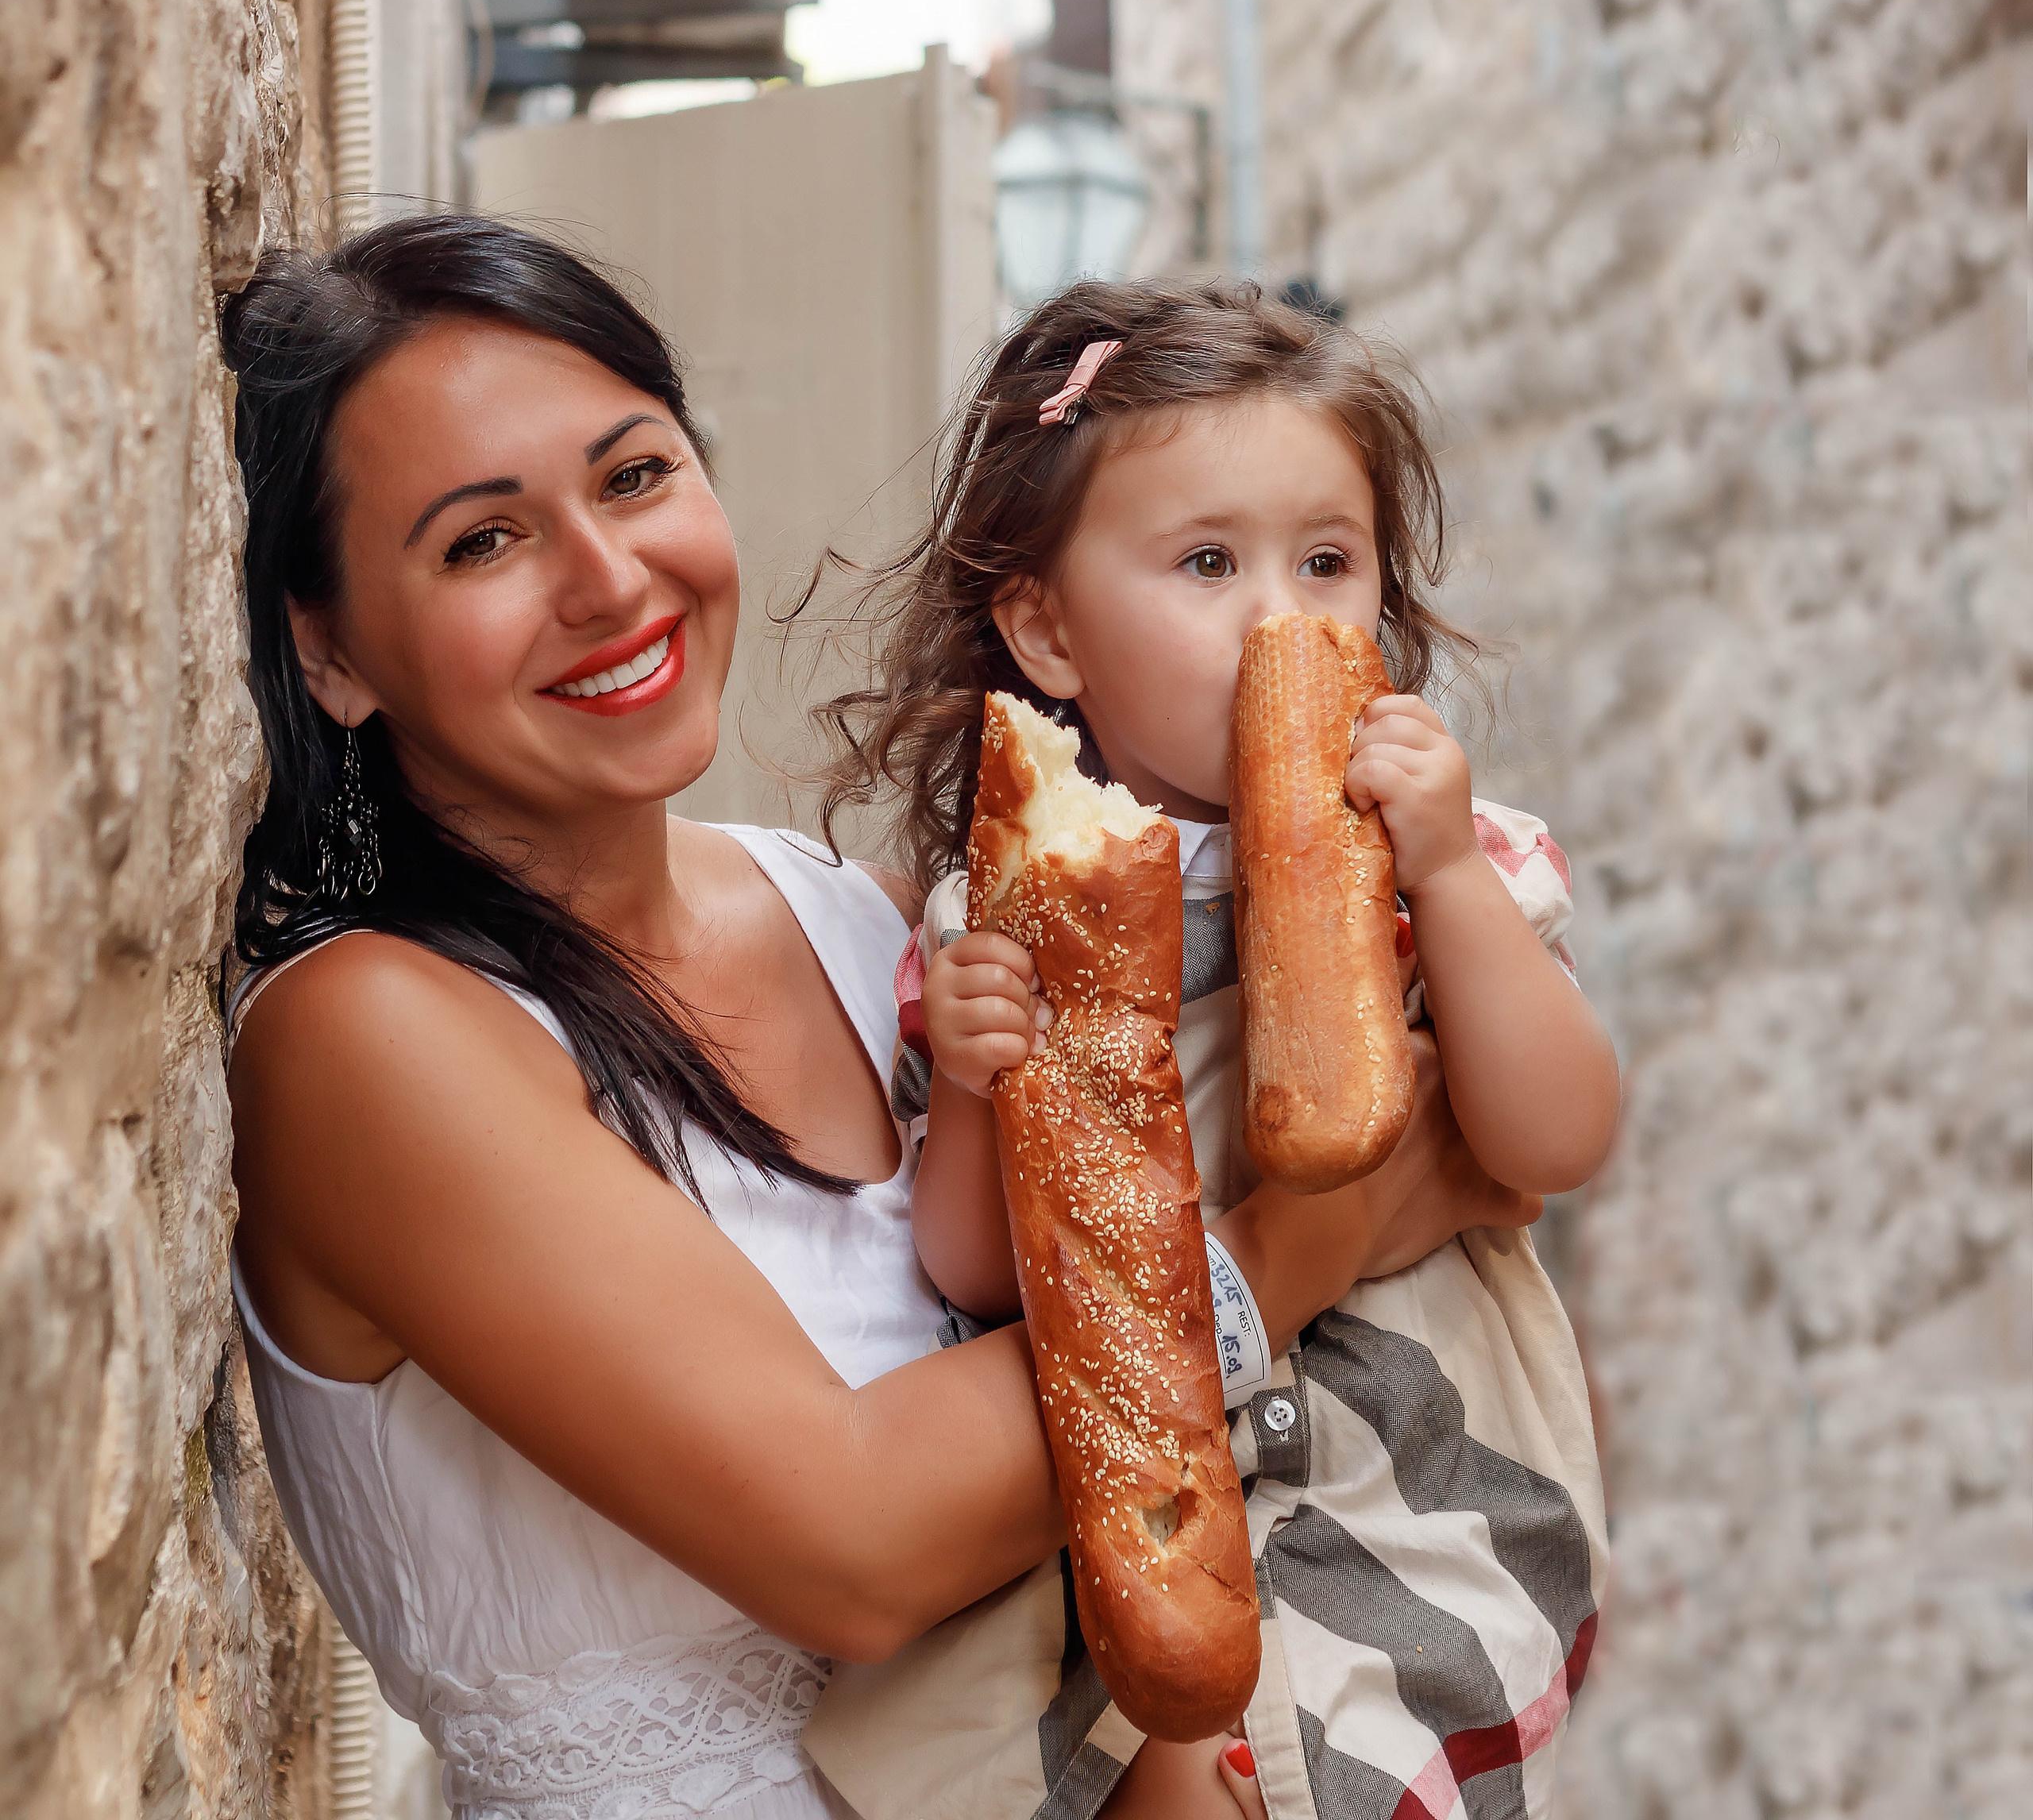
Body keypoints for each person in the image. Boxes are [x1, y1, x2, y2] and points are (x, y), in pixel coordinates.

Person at [222, 217, 1530, 1820]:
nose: (609, 579)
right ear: (331, 648)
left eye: (634, 476)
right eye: (481, 543)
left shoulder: (849, 920)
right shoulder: (369, 1038)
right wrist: (1321, 1235)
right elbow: (852, 1542)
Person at [801, 283, 1619, 1820]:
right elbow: (981, 1275)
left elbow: (1553, 1137)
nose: (1277, 617)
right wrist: (976, 1087)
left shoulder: (1433, 857)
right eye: (1205, 562)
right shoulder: (1011, 905)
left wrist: (1443, 877)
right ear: (1045, 628)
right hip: (1117, 1546)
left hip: (1408, 1499)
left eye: (1326, 561)